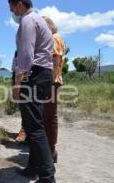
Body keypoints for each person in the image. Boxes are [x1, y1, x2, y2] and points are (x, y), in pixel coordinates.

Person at [9, 0, 56, 183]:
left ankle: (47, 176)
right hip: (43, 75)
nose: (12, 13)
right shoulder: (40, 20)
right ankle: (32, 168)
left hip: (33, 75)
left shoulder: (28, 20)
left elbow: (26, 55)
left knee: (34, 127)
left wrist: (18, 82)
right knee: (34, 124)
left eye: (12, 9)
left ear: (20, 5)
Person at [42, 16, 65, 163]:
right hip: (53, 81)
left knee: (49, 117)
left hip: (52, 81)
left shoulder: (54, 37)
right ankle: (50, 151)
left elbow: (55, 61)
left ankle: (50, 152)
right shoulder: (56, 38)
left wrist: (48, 82)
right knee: (48, 116)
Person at [12, 51, 27, 143]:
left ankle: (25, 132)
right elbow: (15, 69)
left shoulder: (32, 48)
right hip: (19, 80)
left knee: (28, 109)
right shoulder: (18, 51)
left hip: (29, 82)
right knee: (23, 108)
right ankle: (24, 130)